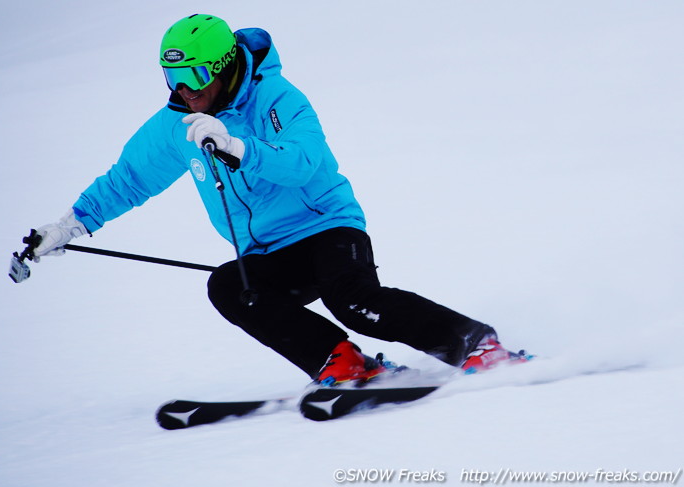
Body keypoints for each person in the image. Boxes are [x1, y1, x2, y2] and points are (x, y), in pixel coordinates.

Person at [31, 14, 528, 386]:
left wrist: (238, 148)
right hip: (269, 253)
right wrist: (69, 226)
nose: (185, 91)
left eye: (196, 77)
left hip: (327, 227)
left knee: (353, 301)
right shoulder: (175, 126)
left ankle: (475, 344)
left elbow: (304, 161)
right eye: (172, 79)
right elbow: (128, 180)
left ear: (224, 68)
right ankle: (346, 364)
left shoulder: (278, 98)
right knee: (230, 286)